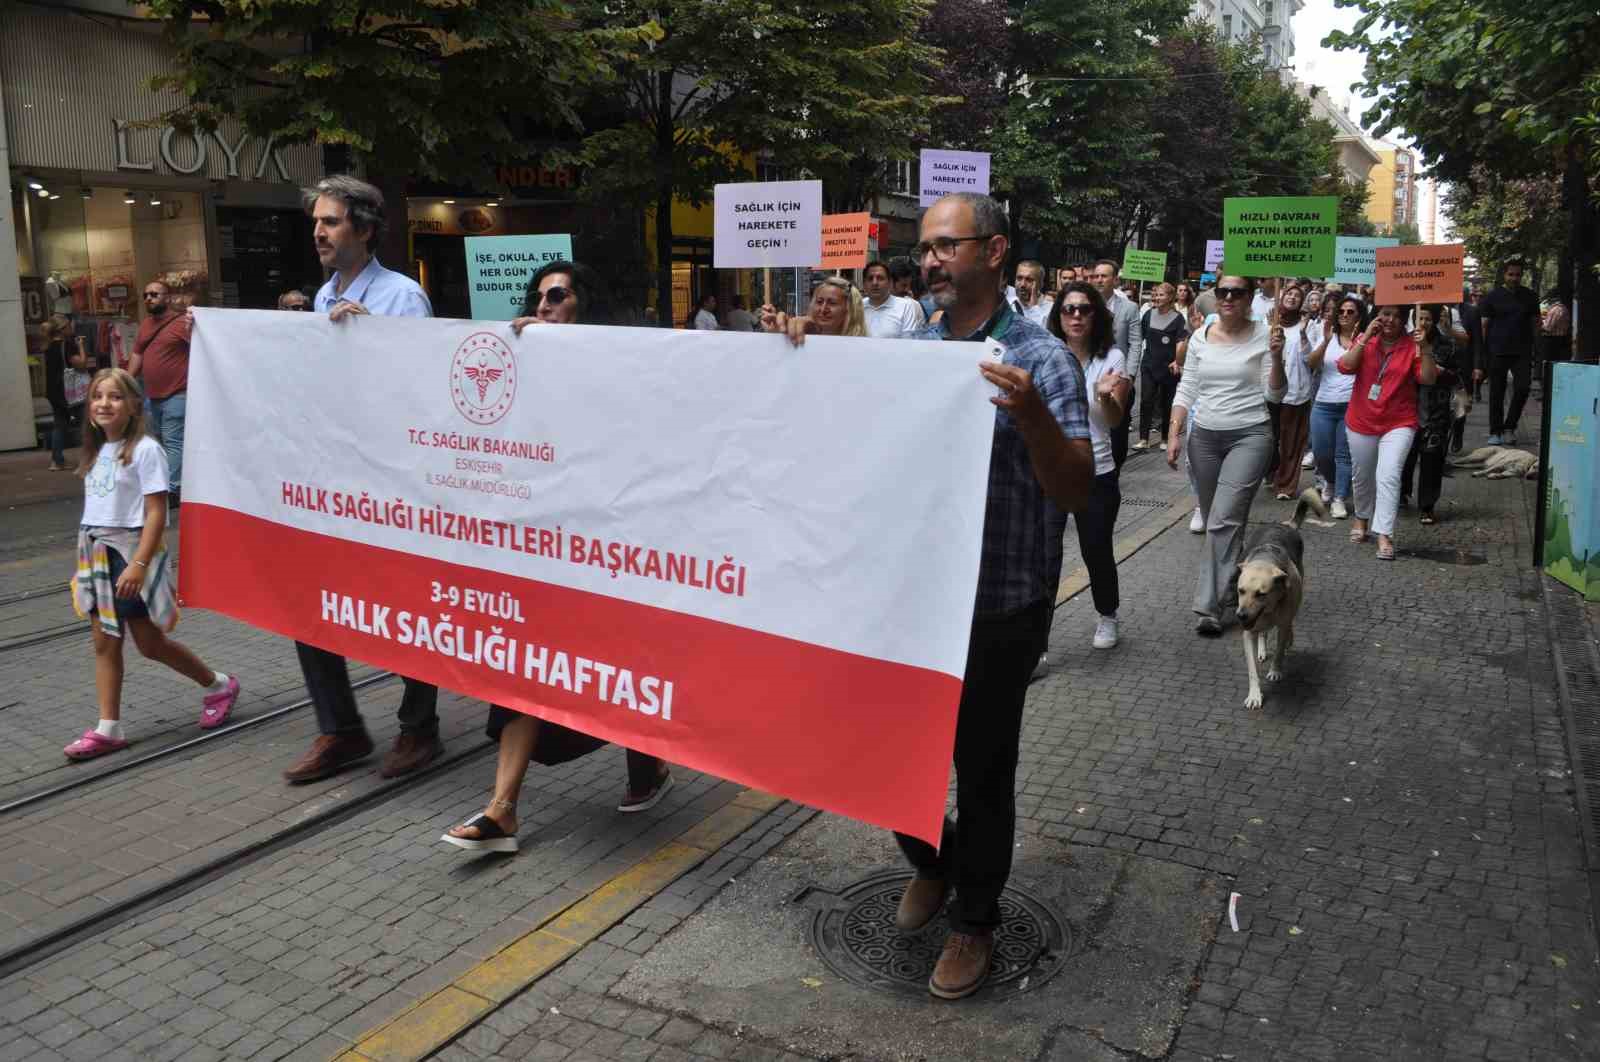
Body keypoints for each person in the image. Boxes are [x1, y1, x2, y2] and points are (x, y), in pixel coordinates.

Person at [856, 193, 1093, 1000]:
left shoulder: (1044, 359)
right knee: (886, 752)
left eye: (945, 247)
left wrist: (1030, 415)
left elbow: (1073, 489)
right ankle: (936, 860)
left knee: (981, 766)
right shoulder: (916, 345)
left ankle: (974, 921)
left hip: (999, 603)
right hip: (914, 596)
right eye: (924, 249)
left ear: (993, 252)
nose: (928, 262)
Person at [442, 260, 672, 853]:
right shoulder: (521, 360)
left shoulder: (614, 362)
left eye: (557, 296)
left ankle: (649, 764)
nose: (543, 306)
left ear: (580, 305)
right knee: (524, 669)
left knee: (623, 668)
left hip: (608, 548)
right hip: (544, 552)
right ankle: (503, 811)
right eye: (537, 296)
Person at [283, 175, 442, 784]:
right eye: (316, 222)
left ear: (365, 229)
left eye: (330, 222)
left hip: (390, 484)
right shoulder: (319, 300)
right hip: (331, 480)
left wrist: (371, 335)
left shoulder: (402, 299)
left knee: (402, 606)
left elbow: (423, 394)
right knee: (308, 602)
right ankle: (341, 729)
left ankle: (418, 727)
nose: (318, 232)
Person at [64, 369, 239, 760]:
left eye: (114, 397)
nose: (104, 403)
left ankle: (218, 684)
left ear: (133, 405)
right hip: (96, 554)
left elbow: (157, 512)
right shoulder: (96, 451)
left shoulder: (145, 449)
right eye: (97, 396)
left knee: (149, 644)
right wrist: (84, 566)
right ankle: (108, 727)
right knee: (103, 642)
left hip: (130, 554)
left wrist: (139, 563)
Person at [1167, 275, 1286, 635]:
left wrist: (1278, 357)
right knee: (1220, 520)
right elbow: (1188, 385)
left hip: (1250, 436)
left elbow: (1277, 394)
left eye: (1238, 291)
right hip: (1203, 438)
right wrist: (1175, 432)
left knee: (1222, 520)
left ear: (1250, 297)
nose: (1229, 297)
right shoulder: (1201, 336)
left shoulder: (1268, 334)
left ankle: (1210, 607)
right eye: (1223, 291)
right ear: (1215, 296)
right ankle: (1242, 588)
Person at [1048, 283, 1130, 649]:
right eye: (1069, 309)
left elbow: (1114, 420)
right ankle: (1037, 639)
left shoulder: (1111, 357)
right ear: (1059, 316)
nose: (1077, 316)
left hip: (1096, 472)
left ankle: (1107, 615)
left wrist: (1103, 395)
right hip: (1048, 471)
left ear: (1096, 315)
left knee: (1095, 549)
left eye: (1084, 309)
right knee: (1044, 557)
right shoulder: (1046, 355)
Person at [1340, 305, 1440, 560]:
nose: (1391, 320)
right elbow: (1345, 366)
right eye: (1385, 313)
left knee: (1389, 475)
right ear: (1376, 316)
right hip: (1361, 420)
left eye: (1397, 316)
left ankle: (1384, 532)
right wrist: (1364, 339)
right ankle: (1362, 517)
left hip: (1399, 422)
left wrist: (1426, 348)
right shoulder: (1365, 340)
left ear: (1405, 320)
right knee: (1362, 475)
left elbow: (1428, 379)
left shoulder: (1412, 345)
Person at [126, 280, 191, 507]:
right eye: (145, 294)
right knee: (160, 442)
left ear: (168, 297)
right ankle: (173, 483)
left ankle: (172, 489)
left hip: (177, 394)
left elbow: (202, 348)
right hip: (152, 396)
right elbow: (137, 354)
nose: (149, 298)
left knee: (173, 441)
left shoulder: (183, 323)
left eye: (154, 294)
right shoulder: (145, 325)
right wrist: (125, 380)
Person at [1400, 305, 1461, 524]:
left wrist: (1440, 370)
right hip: (1407, 407)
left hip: (1436, 410)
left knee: (1432, 458)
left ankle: (1427, 505)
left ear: (1434, 320)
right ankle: (1401, 493)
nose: (1422, 323)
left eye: (1427, 318)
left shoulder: (1446, 344)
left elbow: (1455, 376)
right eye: (1419, 318)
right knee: (1404, 454)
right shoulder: (1404, 340)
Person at [1307, 294, 1364, 519]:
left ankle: (1339, 497)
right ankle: (1330, 482)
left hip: (1351, 404)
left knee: (1343, 455)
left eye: (1350, 312)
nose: (1344, 315)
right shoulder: (1328, 336)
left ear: (1359, 316)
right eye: (1341, 311)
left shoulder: (1363, 339)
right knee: (1321, 453)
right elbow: (1311, 363)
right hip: (1323, 403)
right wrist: (1325, 340)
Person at [1476, 260, 1539, 445]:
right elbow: (1484, 326)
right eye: (1511, 274)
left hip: (1522, 351)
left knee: (1522, 388)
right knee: (1496, 392)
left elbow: (1536, 324)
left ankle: (1510, 427)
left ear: (1522, 275)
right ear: (1504, 275)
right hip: (1497, 350)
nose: (1514, 278)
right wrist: (1483, 353)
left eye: (1518, 274)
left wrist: (1537, 348)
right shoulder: (1492, 297)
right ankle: (1495, 431)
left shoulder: (1530, 296)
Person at [1089, 260, 1142, 468]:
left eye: (1104, 276)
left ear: (1115, 279)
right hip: (1092, 372)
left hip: (1118, 376)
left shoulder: (1129, 308)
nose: (1099, 280)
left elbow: (1135, 343)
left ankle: (1116, 467)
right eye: (1096, 276)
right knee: (1094, 419)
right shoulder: (1086, 305)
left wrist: (1129, 376)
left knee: (1118, 427)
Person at [1271, 283, 1320, 500]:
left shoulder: (1309, 326)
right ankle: (1271, 472)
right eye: (1288, 293)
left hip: (1296, 391)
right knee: (1269, 440)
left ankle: (1286, 485)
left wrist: (1302, 334)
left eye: (1297, 296)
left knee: (1292, 442)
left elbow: (1311, 360)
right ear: (1281, 297)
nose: (1291, 297)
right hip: (1269, 391)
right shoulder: (1269, 322)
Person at [1133, 283, 1186, 451]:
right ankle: (1143, 439)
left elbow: (1181, 341)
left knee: (1166, 403)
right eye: (1156, 295)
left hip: (1169, 368)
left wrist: (1178, 361)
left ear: (1170, 297)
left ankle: (1165, 438)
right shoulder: (1148, 315)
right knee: (1146, 401)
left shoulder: (1178, 319)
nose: (1157, 298)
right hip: (1149, 364)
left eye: (1161, 295)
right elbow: (1138, 338)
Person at [43, 313, 90, 471]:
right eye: (69, 326)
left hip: (54, 392)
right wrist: (81, 346)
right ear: (62, 329)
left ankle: (57, 461)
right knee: (85, 423)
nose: (71, 328)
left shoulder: (48, 347)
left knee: (59, 425)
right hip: (71, 393)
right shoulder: (68, 345)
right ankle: (90, 458)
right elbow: (82, 364)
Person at [760, 276, 867, 339]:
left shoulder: (866, 348)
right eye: (819, 302)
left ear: (850, 309)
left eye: (832, 303)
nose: (823, 309)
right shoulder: (801, 339)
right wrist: (779, 337)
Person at [861, 260, 926, 338]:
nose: (875, 283)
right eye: (870, 278)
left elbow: (909, 343)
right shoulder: (857, 307)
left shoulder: (906, 306)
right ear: (864, 284)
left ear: (889, 282)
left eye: (880, 278)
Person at [1013, 260, 1052, 327]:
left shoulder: (1051, 310)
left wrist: (1033, 309)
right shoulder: (1008, 306)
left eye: (1029, 280)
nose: (1022, 284)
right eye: (1019, 278)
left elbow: (1040, 335)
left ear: (1040, 283)